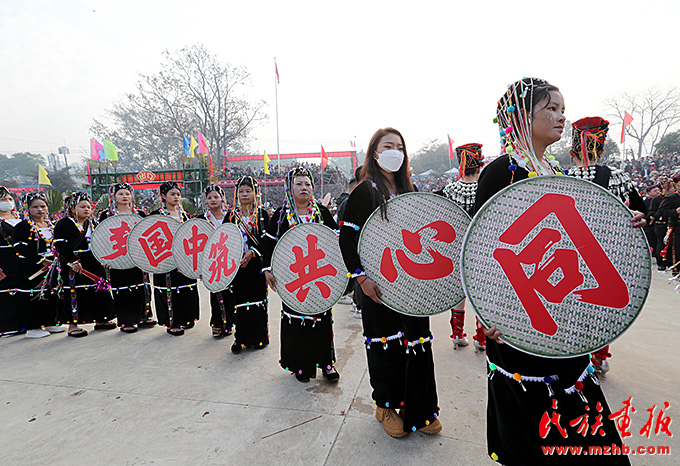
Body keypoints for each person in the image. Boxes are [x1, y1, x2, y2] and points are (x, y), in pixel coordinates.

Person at [476, 78, 634, 465]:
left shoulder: (554, 170)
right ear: (520, 117)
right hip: (520, 316)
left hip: (561, 310)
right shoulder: (501, 173)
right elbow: (481, 252)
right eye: (551, 108)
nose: (562, 117)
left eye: (563, 109)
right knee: (532, 435)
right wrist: (489, 315)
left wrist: (623, 224)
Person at [339, 128, 441, 438]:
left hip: (411, 283)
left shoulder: (410, 192)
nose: (394, 151)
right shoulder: (365, 191)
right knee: (387, 344)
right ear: (374, 152)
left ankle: (421, 408)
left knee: (418, 343)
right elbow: (347, 238)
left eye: (399, 146)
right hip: (379, 285)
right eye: (388, 145)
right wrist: (361, 279)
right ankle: (385, 406)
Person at [567, 116, 647, 377]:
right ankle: (593, 357)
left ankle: (587, 357)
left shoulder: (563, 178)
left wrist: (637, 216)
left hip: (583, 256)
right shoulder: (614, 176)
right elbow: (643, 211)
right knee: (599, 308)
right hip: (595, 256)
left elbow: (641, 212)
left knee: (584, 308)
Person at [262, 167, 340, 383]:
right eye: (299, 183)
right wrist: (267, 269)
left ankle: (326, 363)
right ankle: (301, 364)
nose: (304, 187)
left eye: (307, 184)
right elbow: (269, 244)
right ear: (290, 187)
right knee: (296, 320)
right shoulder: (280, 215)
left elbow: (336, 241)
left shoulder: (322, 212)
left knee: (322, 319)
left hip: (319, 276)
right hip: (292, 279)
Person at [437, 143, 487, 351]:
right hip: (481, 250)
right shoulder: (485, 188)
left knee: (460, 292)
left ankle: (457, 333)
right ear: (479, 166)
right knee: (481, 294)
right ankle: (481, 338)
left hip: (455, 250)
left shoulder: (448, 191)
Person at [53, 191, 116, 337]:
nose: (87, 209)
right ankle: (72, 325)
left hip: (93, 262)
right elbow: (60, 246)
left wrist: (104, 259)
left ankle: (101, 319)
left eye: (88, 206)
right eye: (82, 206)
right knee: (74, 292)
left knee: (98, 289)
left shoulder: (92, 223)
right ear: (72, 207)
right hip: (73, 264)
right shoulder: (64, 224)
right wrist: (72, 261)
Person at [99, 183, 155, 334]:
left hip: (137, 257)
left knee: (142, 286)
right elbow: (101, 238)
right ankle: (126, 320)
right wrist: (103, 258)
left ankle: (144, 315)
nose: (125, 196)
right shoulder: (107, 215)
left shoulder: (140, 214)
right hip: (117, 258)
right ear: (114, 197)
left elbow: (148, 236)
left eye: (127, 193)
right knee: (122, 289)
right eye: (121, 194)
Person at [226, 177, 270, 353]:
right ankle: (240, 338)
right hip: (238, 267)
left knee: (258, 302)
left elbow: (266, 241)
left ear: (255, 193)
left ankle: (258, 337)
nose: (245, 194)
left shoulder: (262, 215)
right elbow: (224, 240)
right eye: (241, 191)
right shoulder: (231, 217)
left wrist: (253, 252)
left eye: (248, 191)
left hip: (256, 265)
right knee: (240, 303)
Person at [150, 182, 200, 336]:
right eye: (172, 194)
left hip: (183, 258)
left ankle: (186, 318)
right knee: (169, 290)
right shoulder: (155, 215)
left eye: (178, 194)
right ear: (163, 196)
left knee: (186, 287)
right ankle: (172, 322)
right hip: (164, 258)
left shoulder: (184, 214)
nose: (176, 197)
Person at [13, 192, 64, 338]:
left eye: (42, 206)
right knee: (32, 295)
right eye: (35, 207)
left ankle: (49, 322)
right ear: (28, 209)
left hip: (51, 265)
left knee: (50, 293)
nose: (39, 210)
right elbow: (20, 248)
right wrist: (41, 260)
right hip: (30, 267)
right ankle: (32, 327)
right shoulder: (22, 226)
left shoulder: (52, 225)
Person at [202, 185, 234, 338]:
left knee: (229, 293)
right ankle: (217, 323)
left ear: (222, 199)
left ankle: (229, 323)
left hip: (229, 260)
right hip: (211, 262)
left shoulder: (231, 217)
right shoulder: (202, 219)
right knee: (215, 293)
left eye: (216, 197)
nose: (213, 200)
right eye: (209, 198)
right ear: (205, 201)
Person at [0, 187, 23, 336]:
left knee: (21, 292)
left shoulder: (20, 219)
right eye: (2, 200)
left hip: (21, 262)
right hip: (3, 262)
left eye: (9, 199)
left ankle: (24, 323)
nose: (7, 202)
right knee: (6, 294)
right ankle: (8, 327)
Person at [658, 174, 680, 276]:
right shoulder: (672, 198)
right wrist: (675, 211)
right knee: (677, 249)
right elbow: (661, 212)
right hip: (677, 227)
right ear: (676, 184)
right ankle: (677, 270)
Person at [643, 185, 662, 263]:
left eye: (658, 190)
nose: (657, 192)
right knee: (651, 242)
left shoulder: (660, 200)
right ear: (649, 193)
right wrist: (649, 216)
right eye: (655, 191)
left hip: (658, 224)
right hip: (648, 225)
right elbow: (643, 213)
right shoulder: (645, 202)